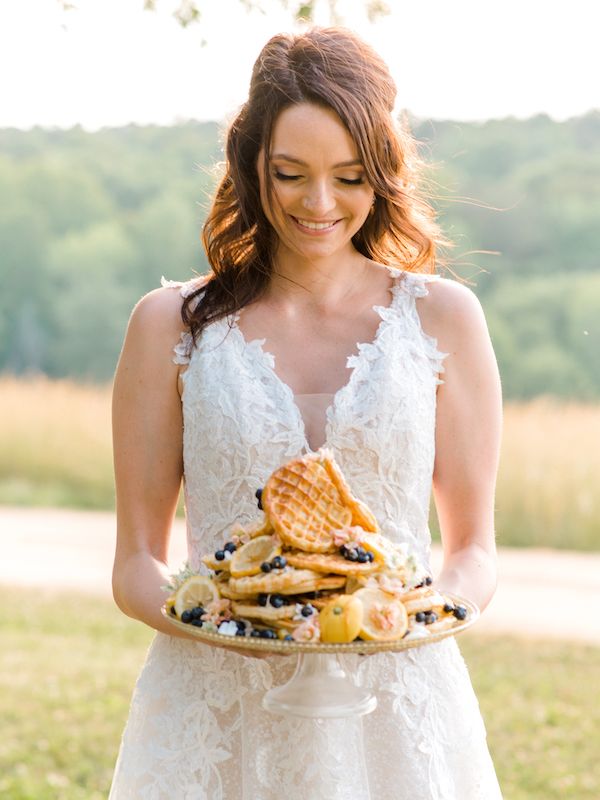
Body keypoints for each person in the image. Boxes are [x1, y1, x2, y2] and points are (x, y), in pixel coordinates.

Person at [109, 26, 503, 799]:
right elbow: (134, 565)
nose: (319, 204)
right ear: (251, 164)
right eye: (290, 174)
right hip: (214, 713)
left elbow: (474, 552)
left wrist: (420, 614)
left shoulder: (445, 320)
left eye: (350, 177)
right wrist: (227, 621)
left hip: (398, 711)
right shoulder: (170, 325)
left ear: (383, 172)